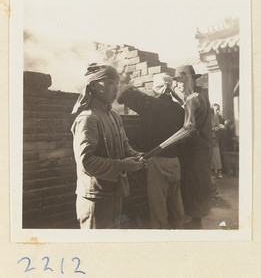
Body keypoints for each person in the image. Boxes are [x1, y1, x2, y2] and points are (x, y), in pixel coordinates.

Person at [71, 63, 146, 229]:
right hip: (94, 198)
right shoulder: (88, 118)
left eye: (117, 83)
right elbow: (86, 162)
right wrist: (122, 165)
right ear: (94, 86)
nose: (116, 88)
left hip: (114, 193)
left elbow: (124, 146)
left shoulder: (114, 116)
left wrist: (136, 156)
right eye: (111, 82)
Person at [117, 73, 187, 229]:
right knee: (176, 200)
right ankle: (180, 229)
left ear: (156, 88)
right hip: (175, 161)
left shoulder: (151, 104)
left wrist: (130, 85)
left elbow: (122, 94)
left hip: (158, 161)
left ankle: (160, 232)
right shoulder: (179, 109)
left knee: (158, 204)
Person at [172, 65, 212, 229]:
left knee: (192, 184)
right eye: (178, 83)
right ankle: (197, 220)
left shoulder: (191, 100)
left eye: (182, 81)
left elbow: (188, 128)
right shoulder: (202, 96)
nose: (180, 86)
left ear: (191, 80)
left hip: (193, 152)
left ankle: (193, 224)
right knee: (201, 184)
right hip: (203, 150)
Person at [210, 107, 223, 179]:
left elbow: (218, 126)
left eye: (212, 114)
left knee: (216, 154)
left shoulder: (215, 117)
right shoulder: (206, 117)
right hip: (207, 138)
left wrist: (213, 129)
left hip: (214, 137)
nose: (211, 115)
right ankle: (212, 171)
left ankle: (219, 171)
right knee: (210, 155)